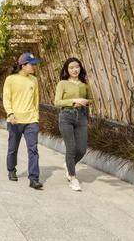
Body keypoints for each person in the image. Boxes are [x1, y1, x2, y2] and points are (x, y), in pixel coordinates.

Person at [2, 52, 43, 190]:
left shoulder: (34, 80)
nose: (34, 66)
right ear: (23, 65)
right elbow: (6, 98)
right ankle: (11, 169)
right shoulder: (10, 79)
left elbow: (36, 100)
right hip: (14, 120)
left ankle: (34, 179)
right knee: (13, 148)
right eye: (32, 64)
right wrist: (10, 113)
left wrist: (36, 117)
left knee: (33, 149)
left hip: (31, 120)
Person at [55, 57, 92, 192]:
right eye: (71, 68)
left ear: (80, 68)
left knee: (81, 149)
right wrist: (73, 101)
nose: (75, 70)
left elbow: (90, 99)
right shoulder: (62, 84)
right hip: (66, 117)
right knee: (71, 148)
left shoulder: (84, 84)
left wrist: (86, 102)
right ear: (67, 70)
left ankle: (68, 164)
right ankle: (73, 178)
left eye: (77, 67)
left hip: (81, 117)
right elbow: (57, 102)